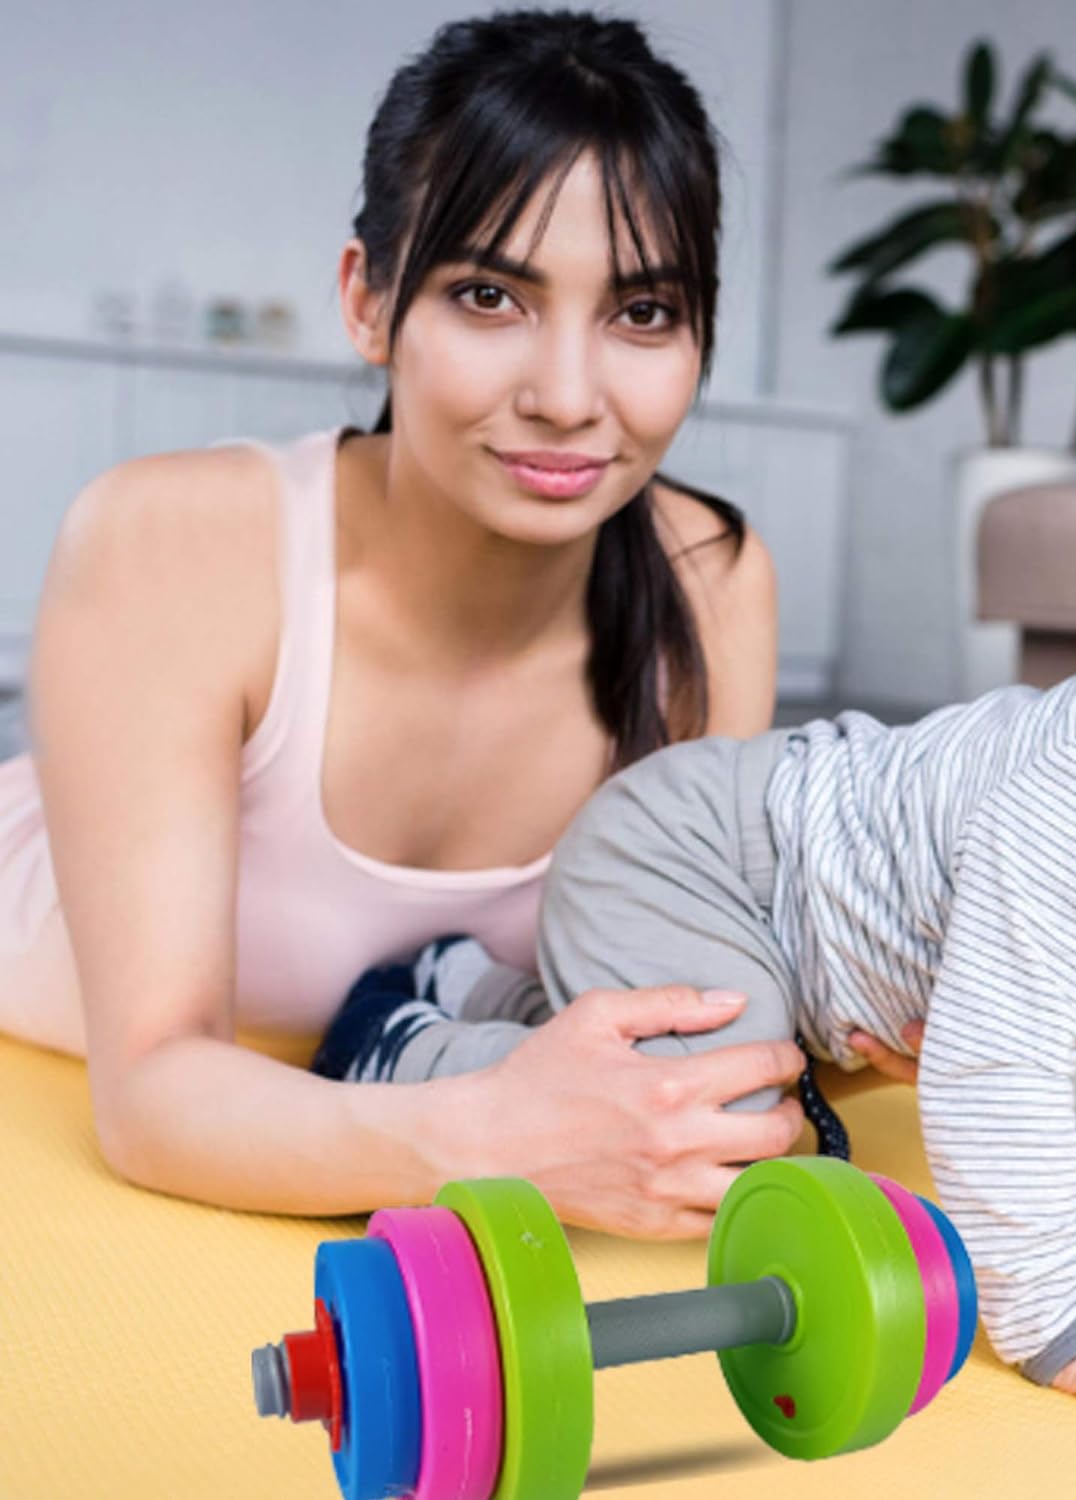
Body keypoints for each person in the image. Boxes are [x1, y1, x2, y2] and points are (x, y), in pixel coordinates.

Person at [321, 391, 1076, 1406]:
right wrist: (1062, 1315)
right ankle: (407, 1045)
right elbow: (997, 1067)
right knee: (728, 1138)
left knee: (730, 1092)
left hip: (767, 918)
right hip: (696, 858)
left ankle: (477, 985)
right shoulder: (1072, 804)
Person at [0, 9, 842, 1232]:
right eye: (490, 295)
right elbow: (153, 1094)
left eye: (642, 313)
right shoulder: (172, 543)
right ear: (369, 300)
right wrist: (492, 1139)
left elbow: (670, 1005)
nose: (565, 397)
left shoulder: (711, 582)